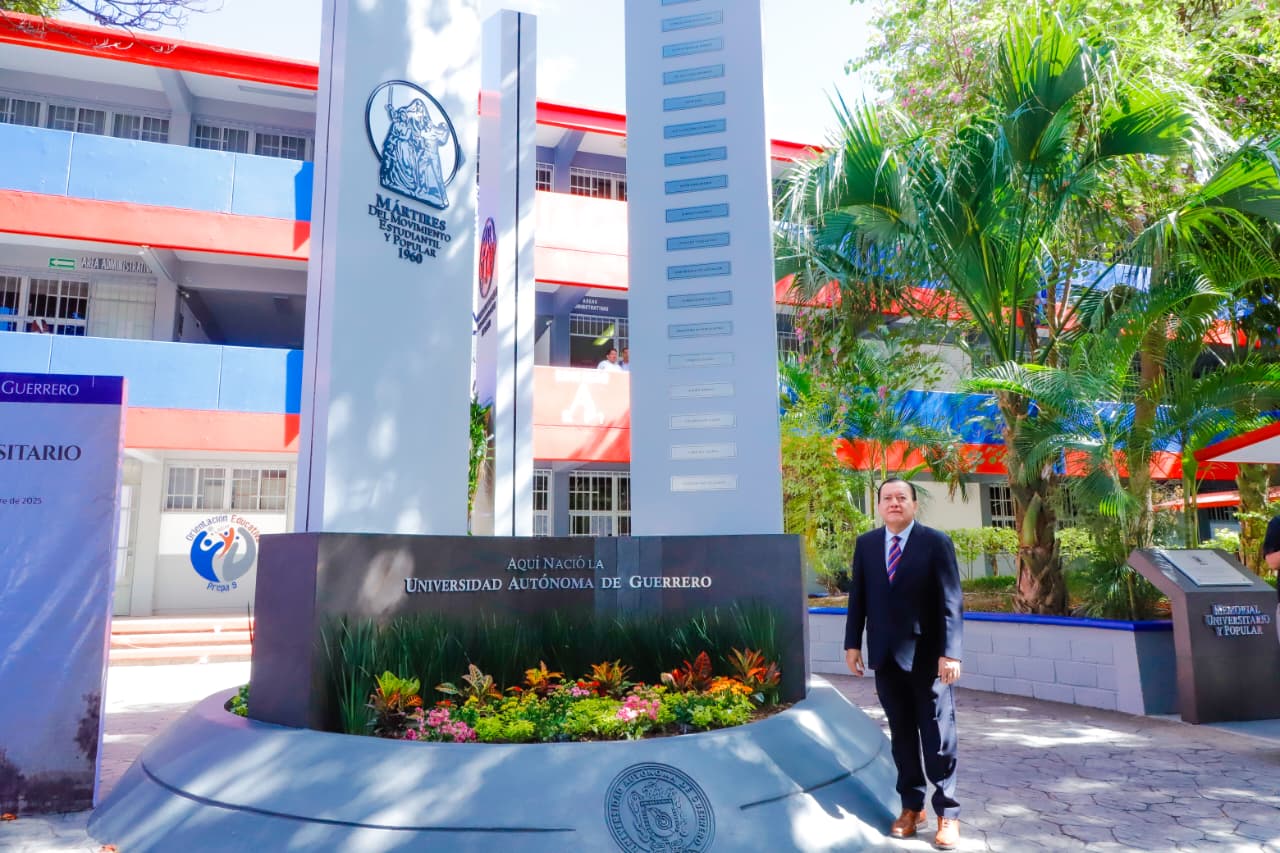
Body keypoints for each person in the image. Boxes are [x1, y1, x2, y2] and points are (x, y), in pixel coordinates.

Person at [845, 478, 964, 850]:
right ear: (879, 505)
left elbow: (951, 602)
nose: (894, 503)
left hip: (930, 661)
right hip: (885, 659)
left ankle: (948, 813)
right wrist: (852, 644)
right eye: (887, 498)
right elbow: (858, 598)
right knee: (901, 737)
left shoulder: (935, 542)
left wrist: (952, 653)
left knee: (937, 738)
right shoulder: (866, 545)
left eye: (901, 497)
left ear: (914, 504)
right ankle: (911, 807)